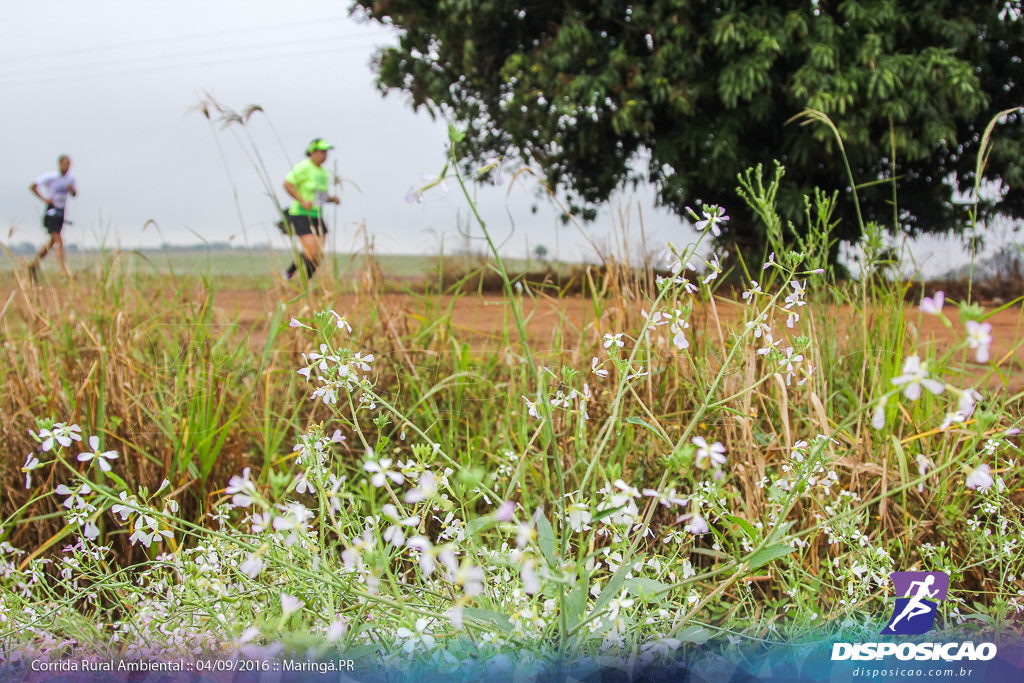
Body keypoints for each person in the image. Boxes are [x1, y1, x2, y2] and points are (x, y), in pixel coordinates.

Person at [280, 138, 339, 281]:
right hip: (301, 213)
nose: (324, 155)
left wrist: (332, 199)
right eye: (321, 152)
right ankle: (288, 275)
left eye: (326, 152)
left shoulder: (324, 173)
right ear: (312, 152)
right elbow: (287, 184)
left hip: (317, 215)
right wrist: (302, 200)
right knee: (311, 251)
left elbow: (320, 197)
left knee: (318, 254)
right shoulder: (304, 167)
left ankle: (306, 282)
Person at [28, 155, 77, 279]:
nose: (66, 167)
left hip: (61, 212)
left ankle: (33, 265)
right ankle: (64, 272)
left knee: (51, 243)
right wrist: (44, 199)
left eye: (68, 164)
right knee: (59, 241)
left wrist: (72, 190)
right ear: (59, 164)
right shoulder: (50, 177)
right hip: (51, 211)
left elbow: (75, 194)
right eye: (64, 164)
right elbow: (32, 186)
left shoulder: (70, 179)